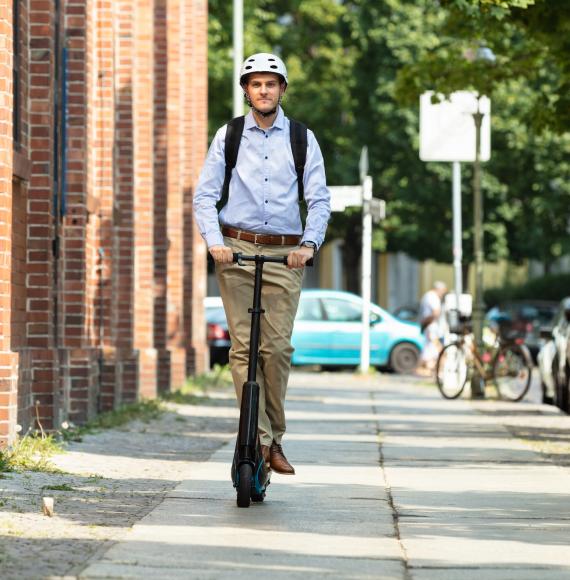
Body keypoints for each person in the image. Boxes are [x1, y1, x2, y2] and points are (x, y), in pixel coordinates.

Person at [193, 53, 331, 475]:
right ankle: (261, 441)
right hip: (235, 250)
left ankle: (274, 436)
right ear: (246, 90)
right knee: (242, 349)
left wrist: (307, 245)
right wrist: (215, 242)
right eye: (256, 83)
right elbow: (204, 196)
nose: (264, 90)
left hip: (285, 254)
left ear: (283, 89)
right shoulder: (229, 135)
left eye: (271, 83)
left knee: (275, 349)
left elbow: (319, 199)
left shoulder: (302, 139)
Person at [417, 281, 448, 374]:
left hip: (429, 327)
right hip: (432, 327)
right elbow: (436, 312)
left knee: (430, 350)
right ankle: (437, 371)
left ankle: (426, 370)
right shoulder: (433, 297)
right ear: (439, 289)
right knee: (438, 349)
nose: (443, 294)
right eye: (443, 291)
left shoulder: (427, 296)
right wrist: (425, 322)